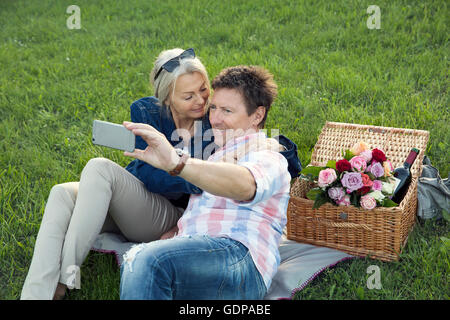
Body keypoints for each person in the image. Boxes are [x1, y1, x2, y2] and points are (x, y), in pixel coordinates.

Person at [21, 49, 301, 300]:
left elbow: (258, 164)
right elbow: (146, 175)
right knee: (63, 192)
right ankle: (40, 294)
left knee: (102, 172)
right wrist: (177, 169)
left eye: (204, 91)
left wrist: (180, 165)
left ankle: (66, 279)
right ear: (167, 99)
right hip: (145, 201)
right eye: (189, 96)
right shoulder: (149, 112)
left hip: (171, 215)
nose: (204, 104)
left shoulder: (222, 127)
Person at [119, 65, 292, 300]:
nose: (215, 119)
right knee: (143, 262)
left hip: (240, 258)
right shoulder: (214, 157)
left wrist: (176, 163)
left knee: (144, 259)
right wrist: (178, 233)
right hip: (202, 255)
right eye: (213, 108)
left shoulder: (267, 154)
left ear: (258, 115)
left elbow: (247, 185)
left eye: (227, 111)